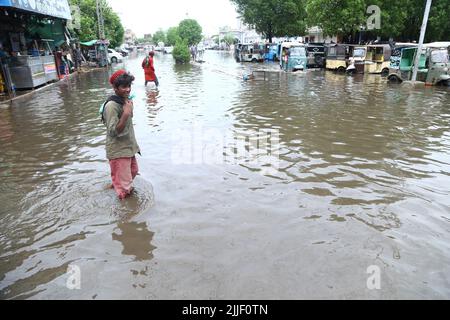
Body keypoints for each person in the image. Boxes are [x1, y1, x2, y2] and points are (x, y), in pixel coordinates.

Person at [103, 69, 141, 200]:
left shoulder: (125, 101)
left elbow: (129, 121)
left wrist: (128, 110)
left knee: (134, 171)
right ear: (115, 88)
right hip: (118, 150)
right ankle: (125, 214)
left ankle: (117, 185)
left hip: (128, 146)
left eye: (129, 86)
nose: (127, 90)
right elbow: (113, 131)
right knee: (125, 187)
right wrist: (125, 114)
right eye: (124, 87)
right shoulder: (111, 106)